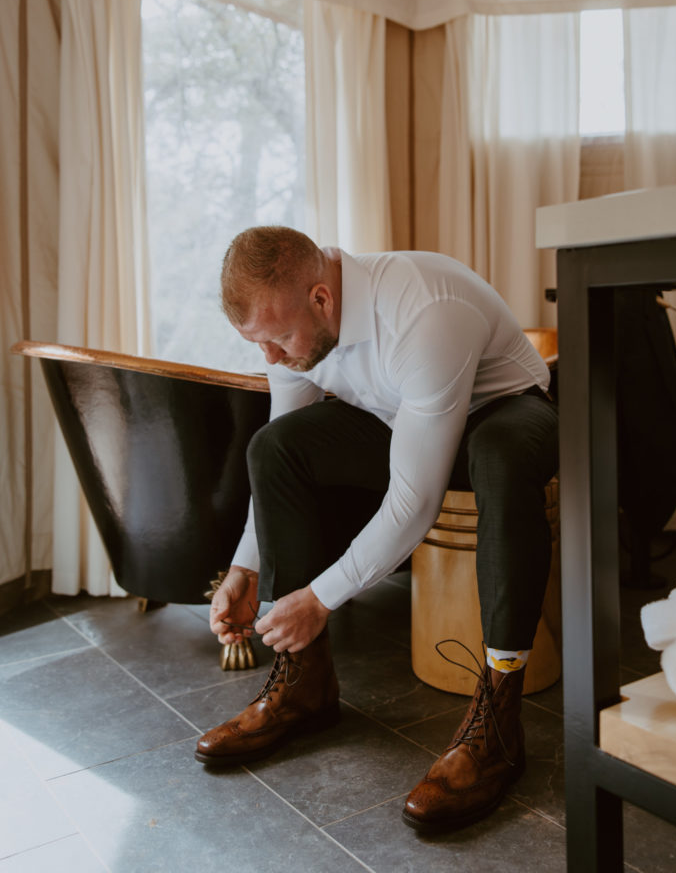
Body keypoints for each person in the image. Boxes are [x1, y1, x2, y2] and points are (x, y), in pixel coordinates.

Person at [195, 226, 559, 835]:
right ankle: (303, 686)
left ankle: (498, 716)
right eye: (259, 343)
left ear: (321, 297)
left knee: (498, 454)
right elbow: (284, 446)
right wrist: (245, 568)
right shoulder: (293, 338)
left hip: (505, 414)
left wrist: (321, 599)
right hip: (405, 424)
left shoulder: (423, 310)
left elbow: (412, 500)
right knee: (275, 446)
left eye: (279, 338)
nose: (273, 359)